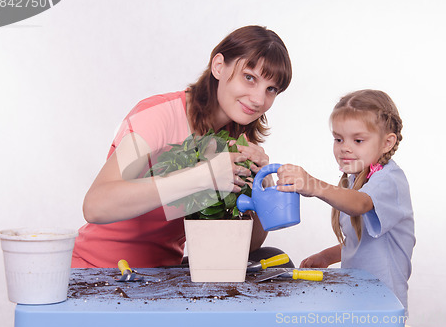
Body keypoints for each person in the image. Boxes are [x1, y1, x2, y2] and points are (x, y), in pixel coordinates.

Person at [71, 25, 293, 269]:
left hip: (162, 279)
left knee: (273, 258)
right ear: (219, 66)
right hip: (97, 272)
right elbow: (95, 206)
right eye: (249, 78)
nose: (259, 100)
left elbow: (245, 246)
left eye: (271, 89)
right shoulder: (159, 116)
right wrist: (204, 176)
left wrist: (263, 190)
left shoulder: (238, 144)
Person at [276, 90, 415, 315]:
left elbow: (359, 204)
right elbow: (362, 243)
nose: (345, 148)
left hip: (383, 308)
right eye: (338, 139)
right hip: (357, 300)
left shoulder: (389, 180)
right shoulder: (355, 180)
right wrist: (327, 256)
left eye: (358, 140)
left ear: (387, 142)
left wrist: (313, 185)